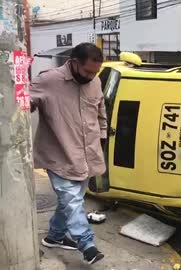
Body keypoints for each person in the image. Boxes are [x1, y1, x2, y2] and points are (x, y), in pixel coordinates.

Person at [31, 43, 107, 265]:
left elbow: (100, 111)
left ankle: (54, 236)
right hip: (58, 154)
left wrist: (101, 136)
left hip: (86, 156)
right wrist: (27, 105)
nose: (92, 76)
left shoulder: (95, 82)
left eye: (96, 72)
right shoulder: (48, 80)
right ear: (74, 63)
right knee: (72, 200)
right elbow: (21, 100)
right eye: (87, 71)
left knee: (71, 201)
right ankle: (87, 244)